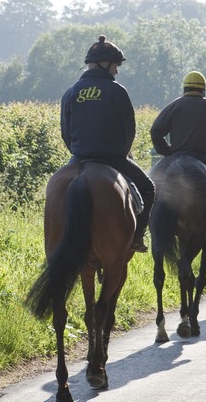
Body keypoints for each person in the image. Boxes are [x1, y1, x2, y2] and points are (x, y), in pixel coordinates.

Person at [60, 35, 155, 253]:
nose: (117, 71)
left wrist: (77, 152)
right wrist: (120, 154)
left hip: (78, 158)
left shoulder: (70, 92)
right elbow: (128, 130)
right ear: (105, 64)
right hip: (112, 158)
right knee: (149, 189)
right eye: (116, 66)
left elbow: (65, 131)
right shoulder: (117, 91)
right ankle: (137, 237)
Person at [149, 71, 206, 217]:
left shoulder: (175, 105)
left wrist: (166, 151)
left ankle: (148, 211)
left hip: (175, 154)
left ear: (184, 88)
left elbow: (155, 131)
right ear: (203, 89)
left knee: (152, 177)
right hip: (204, 156)